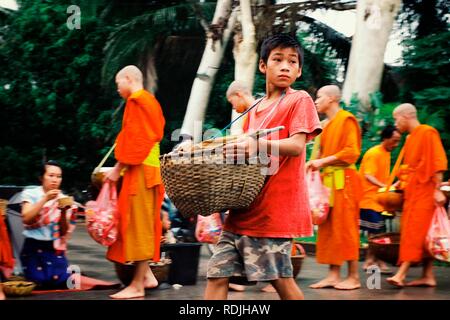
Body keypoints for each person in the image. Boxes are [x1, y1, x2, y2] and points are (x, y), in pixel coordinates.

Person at [205, 33, 322, 300]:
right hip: (244, 209)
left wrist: (257, 145)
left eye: (292, 62)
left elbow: (296, 146)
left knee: (280, 278)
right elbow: (250, 159)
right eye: (277, 59)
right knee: (217, 272)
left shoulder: (298, 100)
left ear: (299, 70)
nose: (285, 66)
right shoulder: (254, 109)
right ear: (262, 66)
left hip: (274, 211)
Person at [105, 65, 166, 299]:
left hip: (140, 168)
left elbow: (137, 139)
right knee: (144, 222)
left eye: (118, 83)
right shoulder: (150, 101)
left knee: (138, 225)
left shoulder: (137, 101)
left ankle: (137, 285)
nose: (118, 88)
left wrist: (118, 167)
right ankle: (148, 275)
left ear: (129, 79)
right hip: (148, 169)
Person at [306, 85, 363, 290]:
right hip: (328, 182)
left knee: (346, 227)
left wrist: (323, 162)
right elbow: (320, 154)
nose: (315, 101)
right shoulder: (326, 125)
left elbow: (351, 152)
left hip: (345, 180)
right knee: (329, 228)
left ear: (331, 98)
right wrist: (312, 165)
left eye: (319, 97)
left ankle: (354, 277)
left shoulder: (347, 119)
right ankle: (333, 275)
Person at [386, 103, 447, 287]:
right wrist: (400, 181)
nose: (396, 124)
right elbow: (413, 167)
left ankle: (401, 274)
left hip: (427, 192)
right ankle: (428, 276)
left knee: (415, 232)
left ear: (406, 116)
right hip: (414, 192)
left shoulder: (427, 132)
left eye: (397, 119)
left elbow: (437, 162)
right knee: (424, 233)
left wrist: (437, 190)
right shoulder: (411, 138)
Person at [225, 81, 277, 294]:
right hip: (256, 179)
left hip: (268, 178)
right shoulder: (249, 117)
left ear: (239, 94)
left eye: (232, 102)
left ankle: (273, 280)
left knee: (262, 233)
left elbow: (263, 147)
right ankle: (248, 277)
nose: (233, 107)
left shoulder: (262, 111)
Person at [20, 160, 78, 289]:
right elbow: (26, 218)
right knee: (38, 283)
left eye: (58, 176)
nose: (55, 180)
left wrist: (63, 212)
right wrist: (45, 199)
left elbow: (63, 231)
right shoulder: (31, 193)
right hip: (33, 246)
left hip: (53, 247)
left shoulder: (62, 198)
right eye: (51, 175)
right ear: (41, 177)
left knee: (65, 283)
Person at [359, 125, 401, 273]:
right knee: (375, 233)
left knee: (378, 232)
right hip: (369, 199)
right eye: (394, 141)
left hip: (380, 199)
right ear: (385, 138)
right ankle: (371, 261)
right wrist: (385, 186)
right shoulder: (374, 153)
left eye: (398, 142)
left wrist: (393, 186)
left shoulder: (386, 153)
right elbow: (368, 175)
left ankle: (374, 260)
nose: (396, 145)